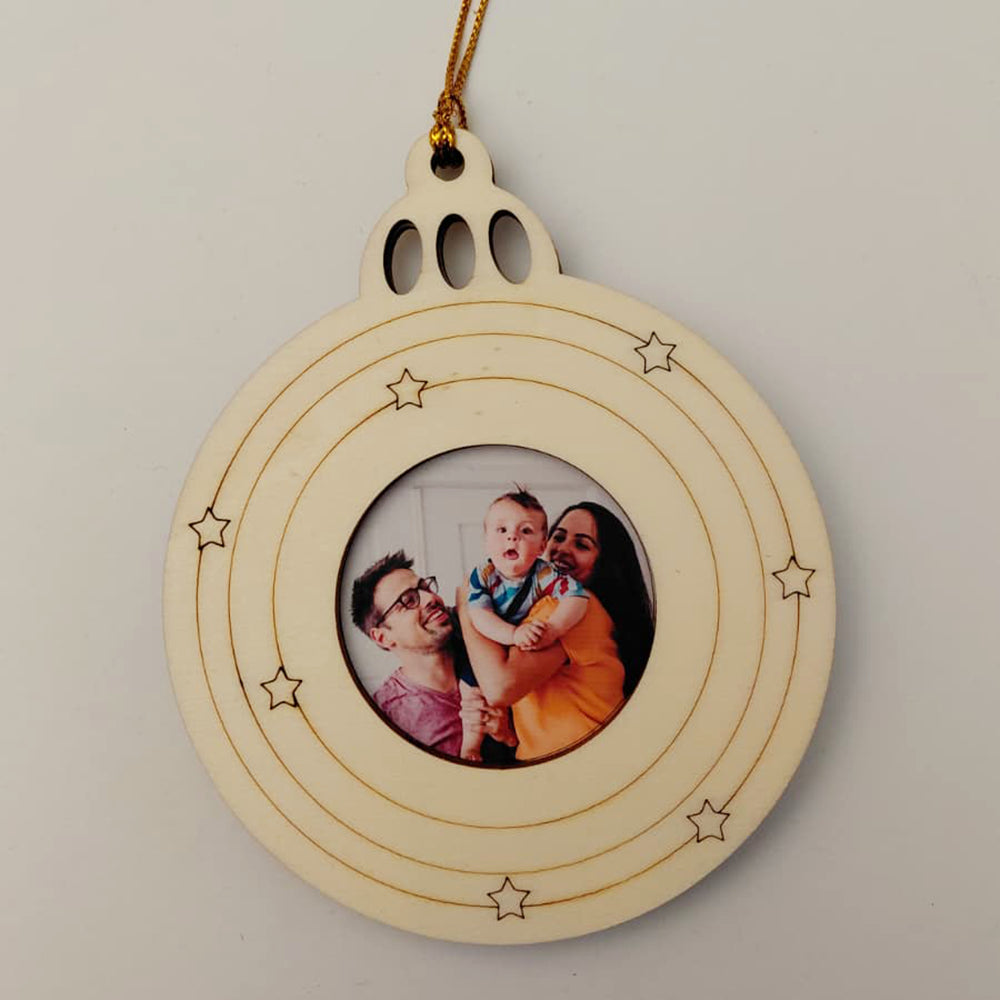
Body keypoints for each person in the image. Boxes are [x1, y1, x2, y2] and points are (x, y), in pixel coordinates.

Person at [458, 502, 654, 761]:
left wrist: (467, 602)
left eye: (582, 545)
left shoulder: (570, 607)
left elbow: (500, 687)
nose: (563, 549)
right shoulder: (537, 605)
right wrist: (503, 731)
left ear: (606, 563)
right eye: (559, 537)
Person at [460, 488, 589, 759]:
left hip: (518, 650)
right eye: (501, 529)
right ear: (486, 542)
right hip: (491, 639)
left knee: (504, 702)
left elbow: (577, 597)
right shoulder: (483, 575)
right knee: (472, 694)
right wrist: (513, 634)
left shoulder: (544, 573)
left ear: (541, 547)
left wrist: (553, 629)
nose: (512, 536)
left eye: (526, 531)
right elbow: (480, 616)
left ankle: (506, 735)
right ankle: (470, 744)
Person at [349, 551, 512, 761]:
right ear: (383, 637)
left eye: (425, 588)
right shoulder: (386, 718)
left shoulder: (488, 640)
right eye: (408, 600)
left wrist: (507, 735)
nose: (430, 598)